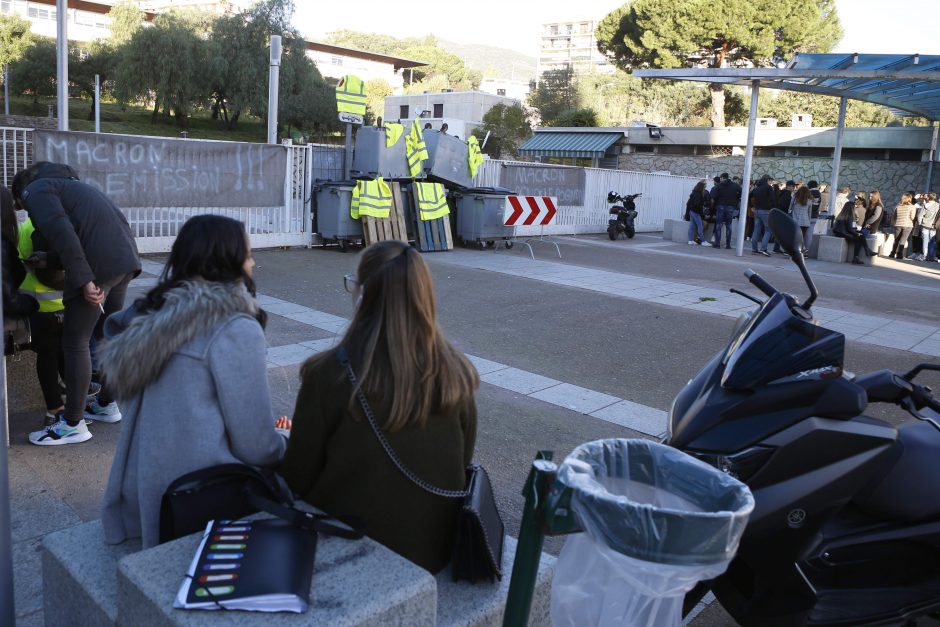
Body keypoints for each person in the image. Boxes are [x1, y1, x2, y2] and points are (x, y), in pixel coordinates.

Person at [279, 241, 479, 574]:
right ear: (424, 297)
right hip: (433, 553)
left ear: (363, 295)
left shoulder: (327, 375)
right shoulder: (457, 373)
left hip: (346, 551)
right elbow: (462, 463)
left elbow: (297, 480)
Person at [100, 215, 289, 548]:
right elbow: (256, 447)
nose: (253, 262)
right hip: (196, 498)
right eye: (247, 254)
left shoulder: (151, 316)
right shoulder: (233, 327)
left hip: (142, 494)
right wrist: (289, 440)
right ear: (226, 260)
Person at [13, 162, 141, 445]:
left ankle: (72, 423)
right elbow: (86, 234)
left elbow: (63, 234)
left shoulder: (36, 190)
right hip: (124, 260)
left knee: (74, 342)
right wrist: (49, 260)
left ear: (22, 193)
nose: (26, 211)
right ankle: (106, 404)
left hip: (98, 266)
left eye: (22, 206)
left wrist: (85, 280)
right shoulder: (75, 187)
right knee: (105, 335)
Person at [832, 200, 873, 265]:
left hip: (839, 233)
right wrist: (857, 233)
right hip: (844, 234)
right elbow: (850, 229)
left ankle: (865, 251)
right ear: (851, 208)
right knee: (860, 237)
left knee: (860, 236)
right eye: (854, 207)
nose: (855, 208)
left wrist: (857, 232)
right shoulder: (850, 216)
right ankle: (863, 252)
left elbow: (849, 228)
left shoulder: (842, 214)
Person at [712, 173, 741, 249]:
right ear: (728, 178)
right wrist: (735, 198)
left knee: (719, 225)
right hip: (731, 206)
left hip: (720, 206)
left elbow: (714, 196)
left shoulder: (719, 185)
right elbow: (741, 193)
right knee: (729, 225)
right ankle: (728, 245)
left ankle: (717, 244)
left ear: (722, 178)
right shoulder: (735, 185)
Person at [750, 175, 777, 256]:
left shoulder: (756, 188)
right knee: (768, 230)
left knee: (756, 229)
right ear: (768, 180)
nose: (771, 182)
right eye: (770, 180)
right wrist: (773, 208)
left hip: (757, 210)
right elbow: (773, 199)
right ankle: (763, 249)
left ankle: (754, 249)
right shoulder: (768, 188)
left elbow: (749, 196)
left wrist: (752, 207)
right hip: (766, 211)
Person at [888, 193, 916, 260]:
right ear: (910, 199)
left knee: (896, 240)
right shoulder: (912, 206)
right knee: (902, 240)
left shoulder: (898, 206)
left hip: (898, 224)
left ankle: (892, 253)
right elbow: (912, 217)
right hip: (908, 225)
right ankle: (899, 255)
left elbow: (894, 216)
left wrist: (894, 222)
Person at [686, 181, 710, 246]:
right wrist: (701, 211)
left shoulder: (693, 193)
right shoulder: (699, 195)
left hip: (691, 211)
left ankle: (690, 240)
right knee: (700, 226)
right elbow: (697, 204)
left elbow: (689, 203)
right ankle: (703, 241)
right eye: (704, 187)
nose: (704, 188)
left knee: (692, 225)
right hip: (696, 212)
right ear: (701, 187)